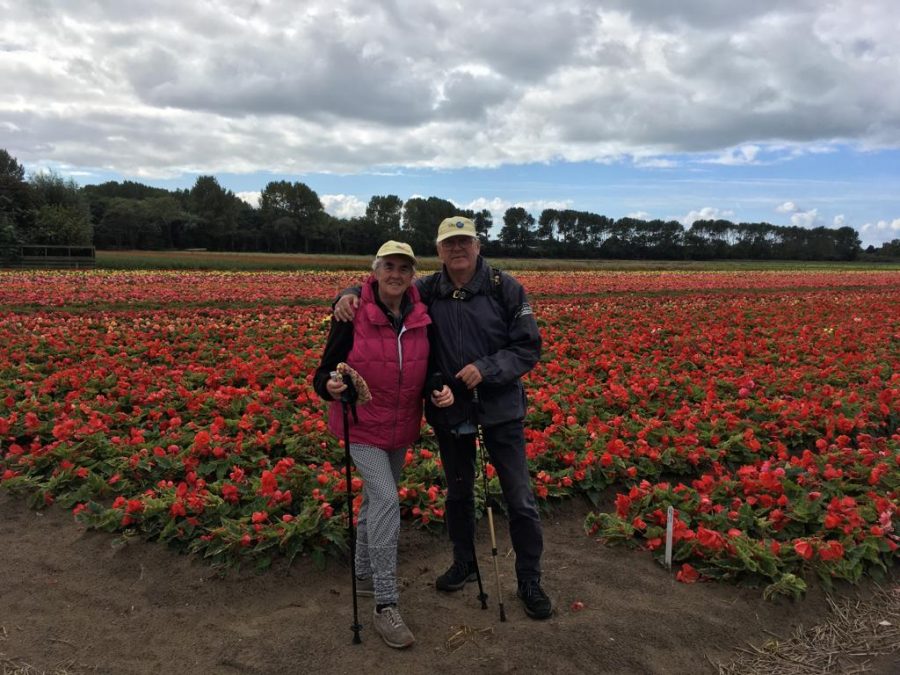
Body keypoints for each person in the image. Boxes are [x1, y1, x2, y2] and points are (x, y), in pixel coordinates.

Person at [333, 217, 552, 620]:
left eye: (464, 241)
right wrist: (346, 294)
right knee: (458, 492)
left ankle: (529, 579)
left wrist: (486, 368)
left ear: (478, 245)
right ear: (439, 251)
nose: (457, 249)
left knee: (519, 496)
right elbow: (382, 287)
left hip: (501, 407)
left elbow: (528, 347)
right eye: (449, 243)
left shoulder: (505, 288)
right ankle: (464, 562)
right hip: (451, 407)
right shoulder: (427, 289)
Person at [314, 240, 455, 648]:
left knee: (376, 501)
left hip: (400, 427)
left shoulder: (422, 316)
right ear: (375, 271)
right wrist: (330, 386)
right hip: (360, 427)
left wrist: (438, 388)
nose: (395, 274)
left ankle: (362, 574)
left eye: (403, 268)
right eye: (388, 266)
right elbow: (323, 372)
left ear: (413, 275)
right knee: (388, 501)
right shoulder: (352, 313)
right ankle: (385, 603)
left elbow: (429, 368)